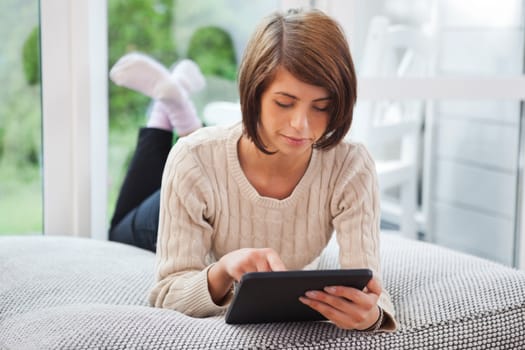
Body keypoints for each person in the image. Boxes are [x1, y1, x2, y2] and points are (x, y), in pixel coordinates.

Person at [109, 8, 397, 332]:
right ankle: (166, 110)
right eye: (284, 103)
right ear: (253, 91)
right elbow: (167, 292)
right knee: (119, 227)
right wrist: (222, 269)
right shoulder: (193, 160)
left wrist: (371, 316)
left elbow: (372, 290)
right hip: (172, 203)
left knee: (198, 154)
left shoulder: (350, 167)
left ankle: (178, 108)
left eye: (321, 107)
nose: (301, 125)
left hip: (210, 183)